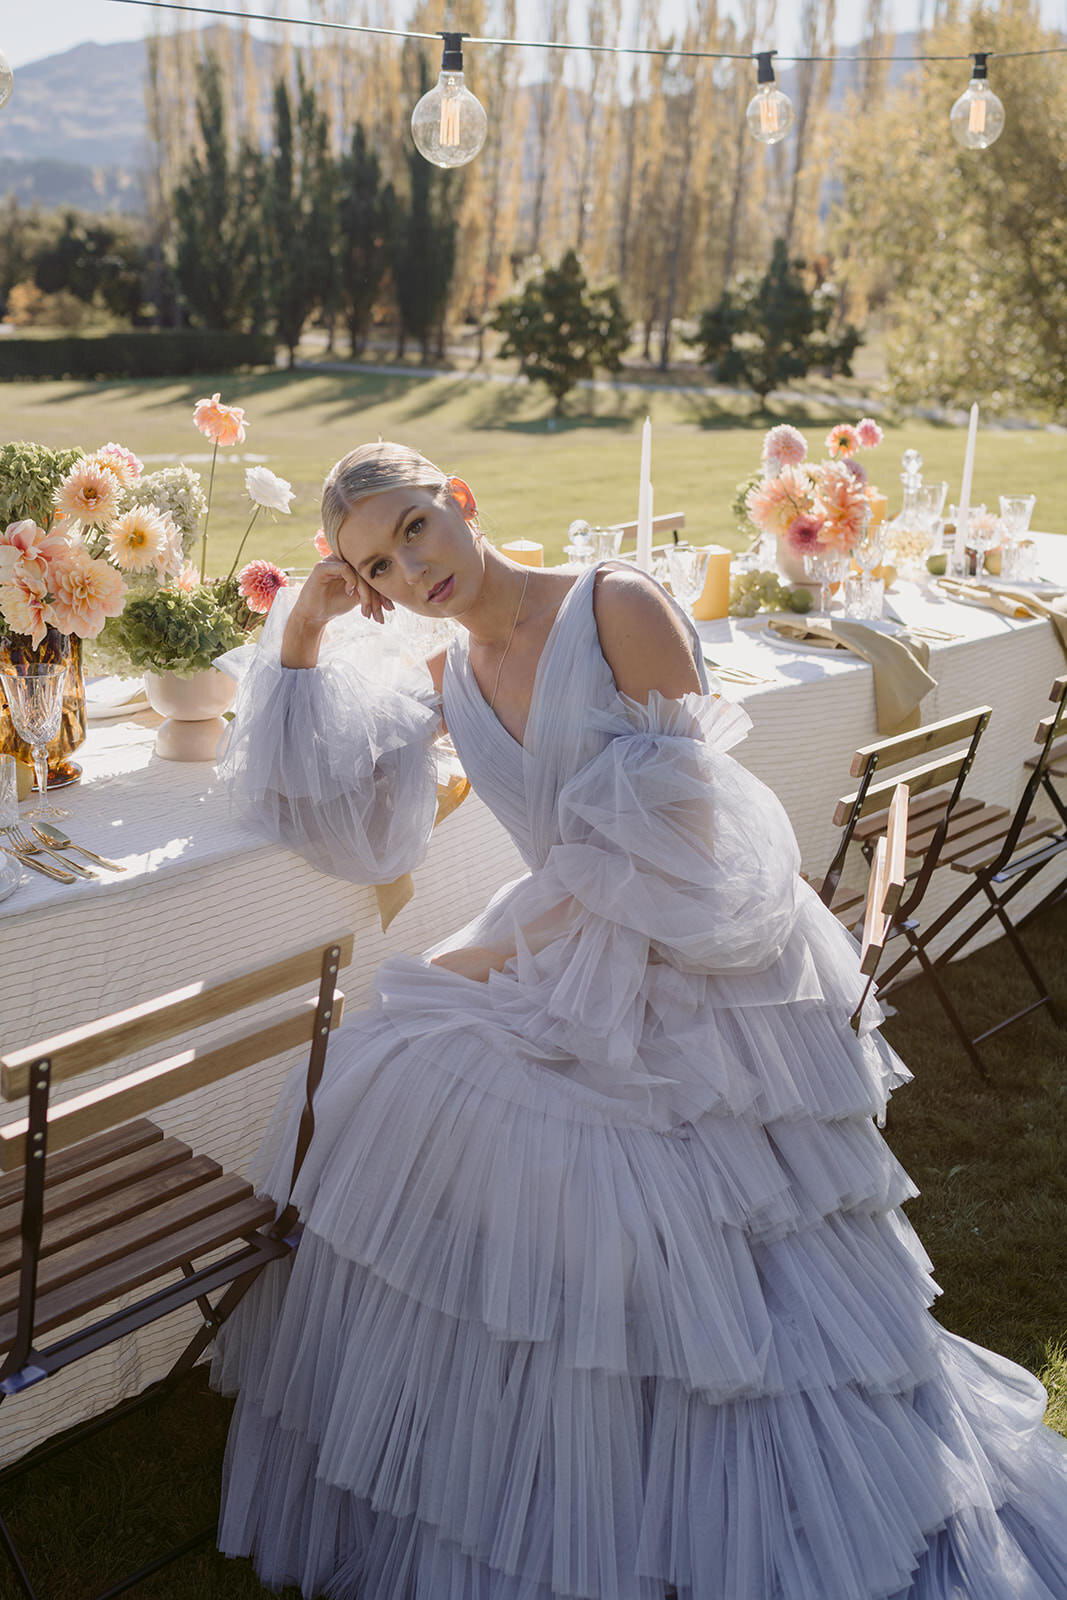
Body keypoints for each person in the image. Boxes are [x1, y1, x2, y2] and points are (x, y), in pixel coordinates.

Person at [213, 442, 1067, 1600]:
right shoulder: (446, 675)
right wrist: (307, 627)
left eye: (415, 528)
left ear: (461, 500)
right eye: (375, 564)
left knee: (664, 1201)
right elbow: (328, 812)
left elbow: (700, 847)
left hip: (704, 961)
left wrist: (492, 946)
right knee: (396, 1074)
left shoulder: (615, 604)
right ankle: (540, 1448)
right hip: (562, 943)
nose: (411, 569)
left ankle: (736, 1480)